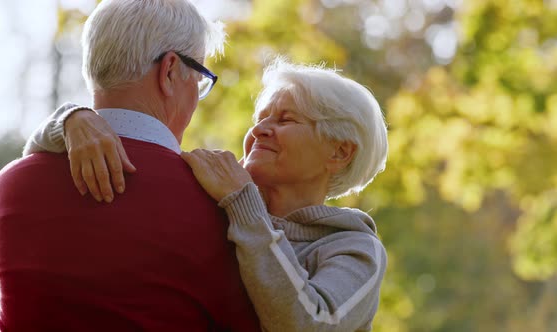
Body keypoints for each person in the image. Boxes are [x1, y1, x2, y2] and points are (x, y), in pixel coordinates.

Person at [28, 59, 389, 331]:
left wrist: (244, 207)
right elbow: (32, 159)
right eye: (259, 119)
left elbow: (311, 324)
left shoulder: (355, 248)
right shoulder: (211, 200)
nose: (260, 130)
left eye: (285, 120)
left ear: (340, 153)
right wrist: (72, 120)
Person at [0, 0, 260, 331]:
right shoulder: (220, 204)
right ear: (170, 71)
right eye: (199, 78)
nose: (195, 99)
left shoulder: (9, 188)